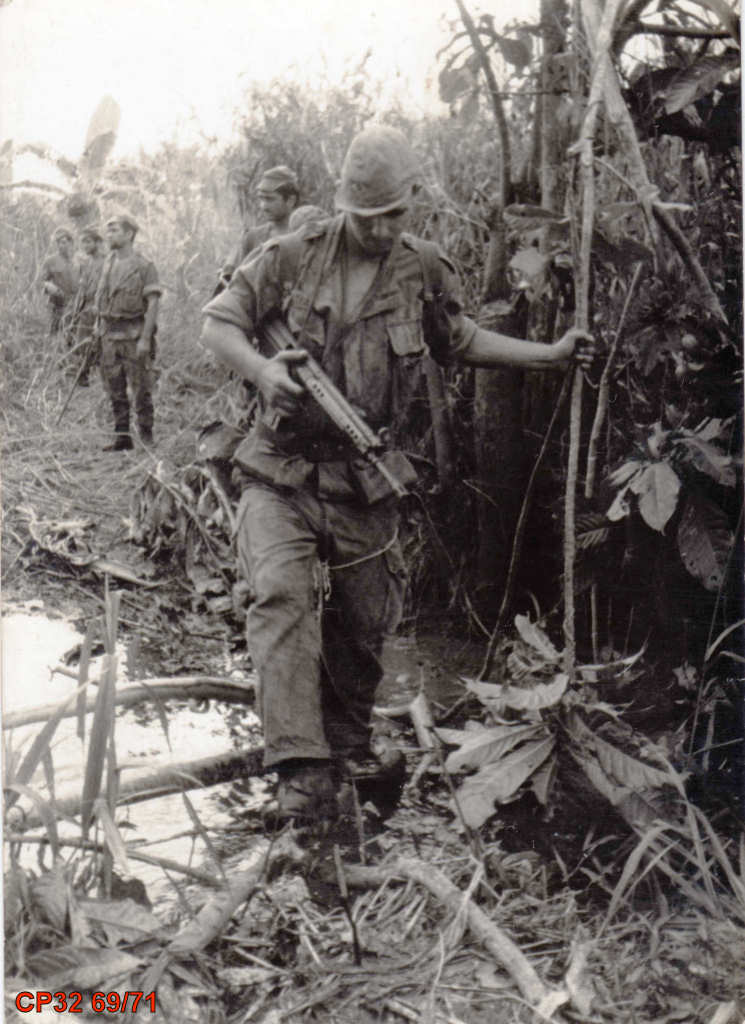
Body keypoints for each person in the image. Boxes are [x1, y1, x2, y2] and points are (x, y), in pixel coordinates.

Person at [200, 125, 593, 824]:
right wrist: (262, 372)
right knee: (280, 596)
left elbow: (459, 340)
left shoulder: (424, 269)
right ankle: (301, 771)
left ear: (410, 205)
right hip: (279, 472)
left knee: (362, 622)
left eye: (394, 215)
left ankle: (348, 746)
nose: (381, 230)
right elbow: (218, 323)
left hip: (366, 478)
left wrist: (552, 354)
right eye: (368, 217)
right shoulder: (290, 256)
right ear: (343, 206)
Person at [95, 212, 162, 451]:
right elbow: (102, 298)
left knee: (141, 388)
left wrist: (145, 339)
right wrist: (97, 328)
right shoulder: (108, 263)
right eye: (108, 230)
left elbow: (153, 304)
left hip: (134, 336)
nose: (109, 234)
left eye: (114, 230)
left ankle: (146, 436)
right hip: (109, 336)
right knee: (114, 389)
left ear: (129, 234)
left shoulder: (144, 266)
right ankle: (122, 437)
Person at [216, 165, 300, 292]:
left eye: (270, 199)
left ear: (290, 201)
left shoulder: (305, 236)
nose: (263, 206)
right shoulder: (252, 238)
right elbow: (229, 284)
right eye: (261, 199)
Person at [69, 226, 105, 386]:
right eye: (83, 242)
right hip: (85, 307)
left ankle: (101, 378)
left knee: (99, 343)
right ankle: (82, 376)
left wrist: (100, 311)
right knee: (81, 342)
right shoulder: (87, 263)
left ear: (97, 242)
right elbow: (82, 288)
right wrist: (76, 310)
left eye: (88, 241)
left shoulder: (106, 262)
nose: (85, 245)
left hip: (100, 308)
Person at [40, 227, 79, 336]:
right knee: (55, 333)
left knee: (73, 334)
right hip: (58, 305)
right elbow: (41, 281)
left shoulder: (79, 260)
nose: (61, 246)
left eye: (64, 242)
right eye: (58, 243)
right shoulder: (50, 261)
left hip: (76, 305)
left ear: (71, 243)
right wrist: (50, 287)